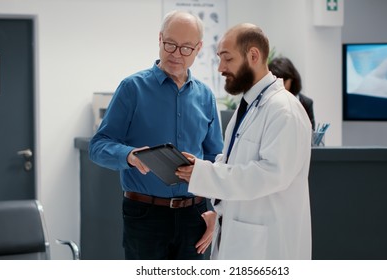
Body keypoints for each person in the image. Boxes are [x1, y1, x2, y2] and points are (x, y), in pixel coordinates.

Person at [89, 10, 223, 260]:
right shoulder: (132, 88)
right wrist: (129, 156)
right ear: (160, 39)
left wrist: (218, 210)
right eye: (170, 44)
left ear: (199, 49)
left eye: (186, 48)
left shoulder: (206, 96)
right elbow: (98, 146)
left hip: (194, 216)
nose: (176, 54)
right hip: (145, 215)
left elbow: (217, 159)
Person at [176, 23, 312, 259]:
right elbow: (232, 161)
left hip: (267, 246)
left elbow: (270, 174)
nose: (220, 68)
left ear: (253, 55)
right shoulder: (249, 105)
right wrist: (200, 170)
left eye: (227, 59)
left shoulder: (284, 110)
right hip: (241, 237)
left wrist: (204, 174)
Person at [268, 56, 316, 130]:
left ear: (292, 79)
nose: (280, 85)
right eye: (275, 81)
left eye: (283, 82)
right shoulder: (268, 102)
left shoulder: (306, 103)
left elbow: (311, 134)